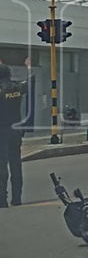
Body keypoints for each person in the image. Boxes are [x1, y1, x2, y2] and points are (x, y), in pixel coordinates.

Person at [0, 58, 33, 207]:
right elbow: (30, 82)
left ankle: (2, 200)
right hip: (16, 131)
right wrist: (29, 67)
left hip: (2, 131)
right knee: (15, 163)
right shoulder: (17, 88)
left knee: (2, 166)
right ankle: (17, 199)